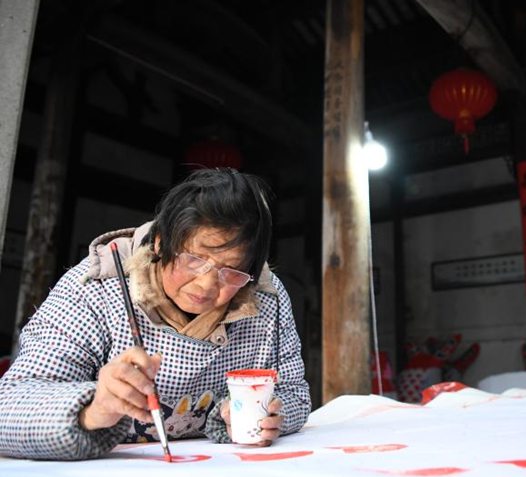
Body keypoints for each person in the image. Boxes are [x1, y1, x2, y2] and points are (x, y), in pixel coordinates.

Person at [0, 168, 311, 460]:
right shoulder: (96, 288)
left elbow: (295, 393)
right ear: (161, 242)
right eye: (193, 259)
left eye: (230, 271)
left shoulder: (266, 298)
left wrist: (264, 414)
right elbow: (8, 409)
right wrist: (93, 409)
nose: (205, 284)